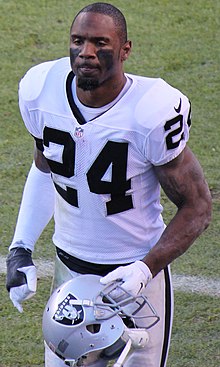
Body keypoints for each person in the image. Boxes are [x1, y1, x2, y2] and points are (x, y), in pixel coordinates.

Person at [6, 2, 212, 367]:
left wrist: (144, 269)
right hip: (68, 269)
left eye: (100, 43)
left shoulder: (151, 110)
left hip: (133, 278)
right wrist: (20, 247)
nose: (86, 53)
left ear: (125, 49)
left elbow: (198, 205)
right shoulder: (41, 89)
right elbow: (45, 168)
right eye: (78, 41)